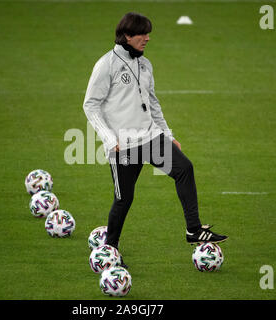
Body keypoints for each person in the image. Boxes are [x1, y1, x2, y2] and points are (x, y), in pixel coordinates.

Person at [83, 12, 228, 267]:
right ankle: (110, 249)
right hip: (124, 144)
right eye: (143, 34)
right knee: (124, 199)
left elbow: (152, 103)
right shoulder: (106, 65)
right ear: (127, 36)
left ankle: (193, 230)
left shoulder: (145, 64)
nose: (147, 39)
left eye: (148, 34)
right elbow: (90, 105)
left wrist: (168, 135)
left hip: (150, 138)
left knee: (185, 169)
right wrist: (108, 139)